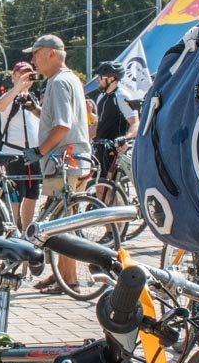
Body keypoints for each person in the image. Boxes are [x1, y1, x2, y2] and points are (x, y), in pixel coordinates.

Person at [23, 33, 92, 293]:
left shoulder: (59, 82)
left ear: (51, 53)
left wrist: (39, 151)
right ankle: (61, 274)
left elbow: (62, 126)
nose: (33, 59)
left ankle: (69, 280)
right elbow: (64, 121)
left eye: (36, 53)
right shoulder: (70, 79)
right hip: (75, 159)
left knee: (61, 225)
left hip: (63, 160)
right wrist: (35, 110)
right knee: (64, 220)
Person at [0, 61, 42, 229]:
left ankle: (27, 229)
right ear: (13, 76)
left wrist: (33, 105)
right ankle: (13, 228)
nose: (25, 77)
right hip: (13, 154)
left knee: (32, 195)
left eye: (29, 74)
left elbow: (43, 118)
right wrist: (17, 88)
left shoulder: (32, 98)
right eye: (21, 74)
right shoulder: (9, 97)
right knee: (15, 195)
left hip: (33, 154)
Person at [91, 60, 138, 191]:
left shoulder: (122, 96)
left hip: (114, 148)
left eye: (100, 77)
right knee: (99, 189)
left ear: (111, 78)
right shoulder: (101, 97)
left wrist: (126, 138)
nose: (97, 80)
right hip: (100, 148)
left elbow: (135, 123)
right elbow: (98, 125)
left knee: (109, 189)